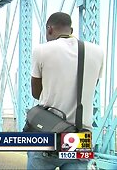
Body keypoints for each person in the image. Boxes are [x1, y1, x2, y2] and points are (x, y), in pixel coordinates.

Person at [28, 12, 103, 169]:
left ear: (49, 29)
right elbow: (90, 87)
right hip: (80, 137)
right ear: (71, 29)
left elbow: (36, 93)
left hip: (47, 132)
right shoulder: (98, 52)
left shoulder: (41, 50)